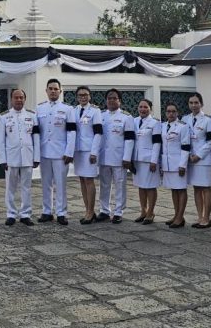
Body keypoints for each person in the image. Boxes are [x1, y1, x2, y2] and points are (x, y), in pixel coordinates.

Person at [0, 88, 40, 226]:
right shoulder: (4, 117)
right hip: (11, 157)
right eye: (16, 97)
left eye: (21, 97)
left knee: (26, 187)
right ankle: (11, 214)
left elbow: (36, 138)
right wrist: (2, 159)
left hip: (27, 156)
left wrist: (36, 157)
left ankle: (25, 214)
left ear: (25, 99)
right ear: (11, 99)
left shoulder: (32, 115)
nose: (19, 100)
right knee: (10, 187)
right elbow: (1, 140)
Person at [35, 78, 72, 225]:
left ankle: (61, 212)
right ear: (46, 91)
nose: (53, 91)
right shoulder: (40, 108)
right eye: (50, 88)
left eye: (56, 89)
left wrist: (69, 151)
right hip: (44, 152)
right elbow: (37, 132)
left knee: (61, 183)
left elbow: (71, 132)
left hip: (60, 153)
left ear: (60, 91)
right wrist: (36, 152)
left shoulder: (67, 109)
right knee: (46, 183)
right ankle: (46, 211)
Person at [66, 86, 102, 224]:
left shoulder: (95, 111)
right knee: (82, 180)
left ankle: (90, 211)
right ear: (77, 97)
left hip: (89, 151)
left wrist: (94, 152)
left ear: (90, 96)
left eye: (85, 95)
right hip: (78, 151)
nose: (83, 97)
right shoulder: (73, 111)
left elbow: (98, 133)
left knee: (89, 180)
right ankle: (88, 210)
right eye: (80, 95)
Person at [98, 89, 134, 223]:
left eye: (114, 98)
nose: (111, 101)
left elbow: (130, 139)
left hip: (119, 157)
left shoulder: (126, 117)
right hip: (104, 156)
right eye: (109, 98)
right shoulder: (101, 115)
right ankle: (104, 210)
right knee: (104, 184)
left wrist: (127, 157)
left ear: (120, 100)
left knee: (120, 184)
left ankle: (119, 211)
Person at [125, 99, 161, 224]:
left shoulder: (155, 123)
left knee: (150, 187)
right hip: (137, 159)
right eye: (140, 107)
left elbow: (157, 143)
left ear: (150, 108)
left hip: (149, 160)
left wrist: (154, 160)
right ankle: (143, 211)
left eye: (145, 107)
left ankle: (151, 212)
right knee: (141, 186)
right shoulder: (133, 121)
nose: (142, 109)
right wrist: (129, 159)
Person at [183, 92, 211, 229]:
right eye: (191, 103)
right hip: (190, 158)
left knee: (205, 188)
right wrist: (190, 155)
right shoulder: (184, 119)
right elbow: (184, 139)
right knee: (196, 188)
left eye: (196, 102)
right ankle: (200, 216)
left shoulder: (208, 120)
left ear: (201, 104)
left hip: (203, 159)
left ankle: (207, 218)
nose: (193, 105)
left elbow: (210, 141)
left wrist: (198, 155)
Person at [159, 102, 191, 228]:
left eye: (173, 111)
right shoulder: (162, 126)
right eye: (168, 111)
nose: (171, 114)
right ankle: (176, 215)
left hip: (178, 163)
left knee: (181, 189)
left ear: (177, 113)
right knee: (174, 189)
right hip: (167, 163)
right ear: (165, 113)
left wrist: (183, 164)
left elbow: (186, 146)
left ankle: (180, 217)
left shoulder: (183, 126)